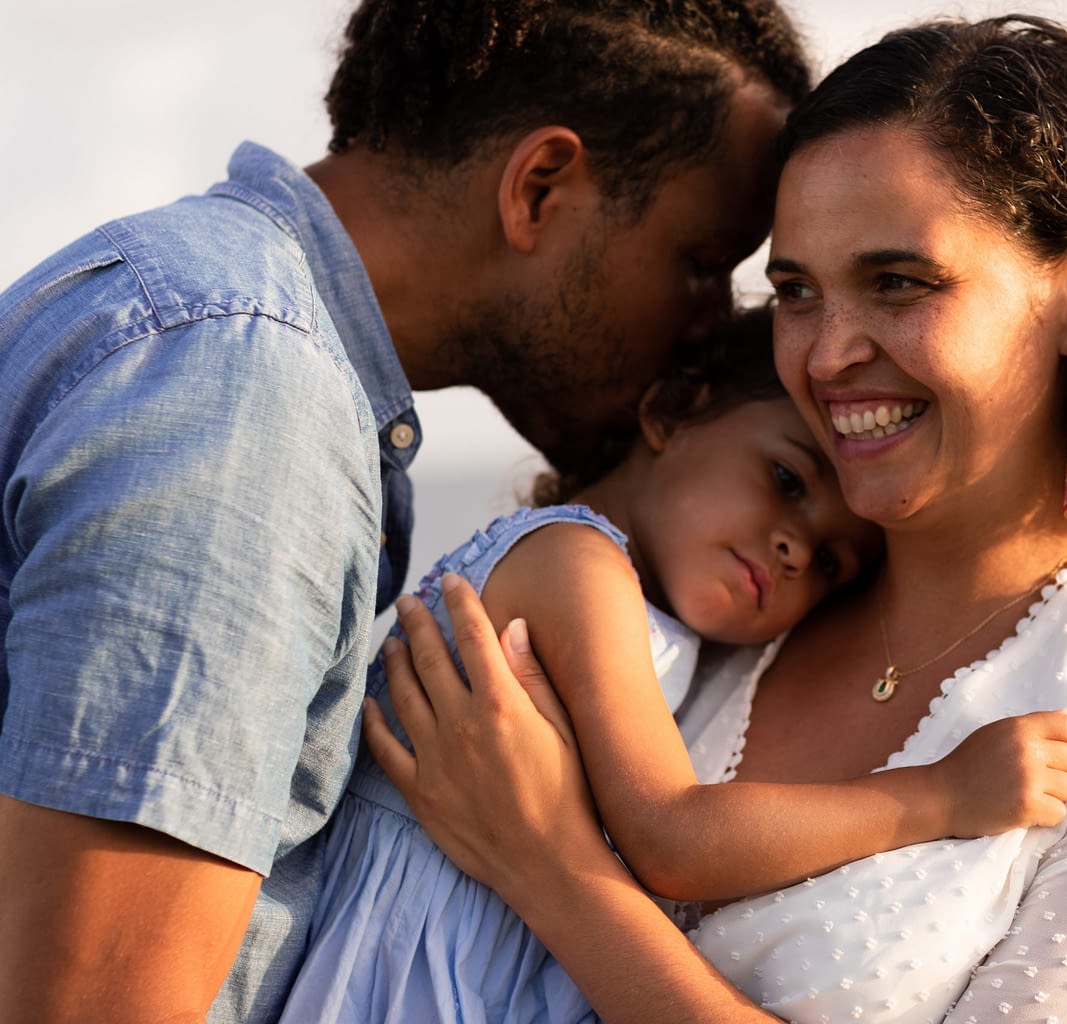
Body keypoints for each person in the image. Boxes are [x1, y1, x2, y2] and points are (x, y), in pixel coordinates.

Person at [371, 14, 1067, 1024]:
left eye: (899, 282)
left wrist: (559, 875)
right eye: (797, 292)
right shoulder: (727, 604)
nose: (828, 353)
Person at [0, 2, 811, 1021]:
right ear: (540, 187)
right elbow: (100, 1004)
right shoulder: (253, 401)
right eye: (701, 264)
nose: (711, 331)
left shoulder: (195, 305)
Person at [280, 307, 1067, 1023]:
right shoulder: (573, 561)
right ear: (674, 413)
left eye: (834, 563)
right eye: (786, 479)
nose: (795, 548)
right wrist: (939, 794)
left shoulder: (669, 629)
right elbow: (672, 836)